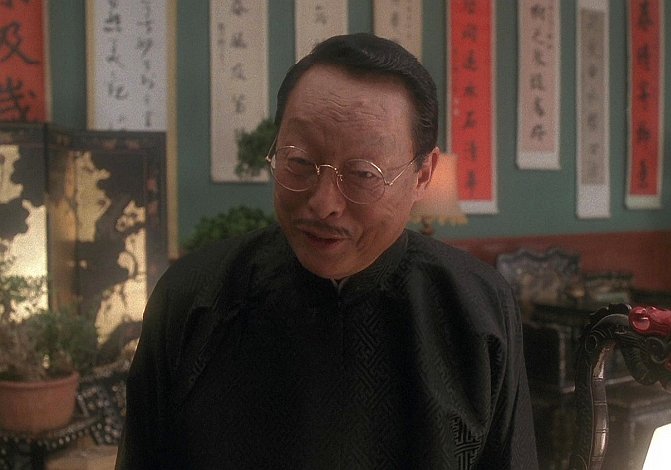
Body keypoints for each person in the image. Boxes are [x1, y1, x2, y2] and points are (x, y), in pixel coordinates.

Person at [117, 33, 538, 469]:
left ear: (423, 175)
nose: (323, 204)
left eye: (363, 173)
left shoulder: (475, 308)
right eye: (299, 162)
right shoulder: (193, 298)